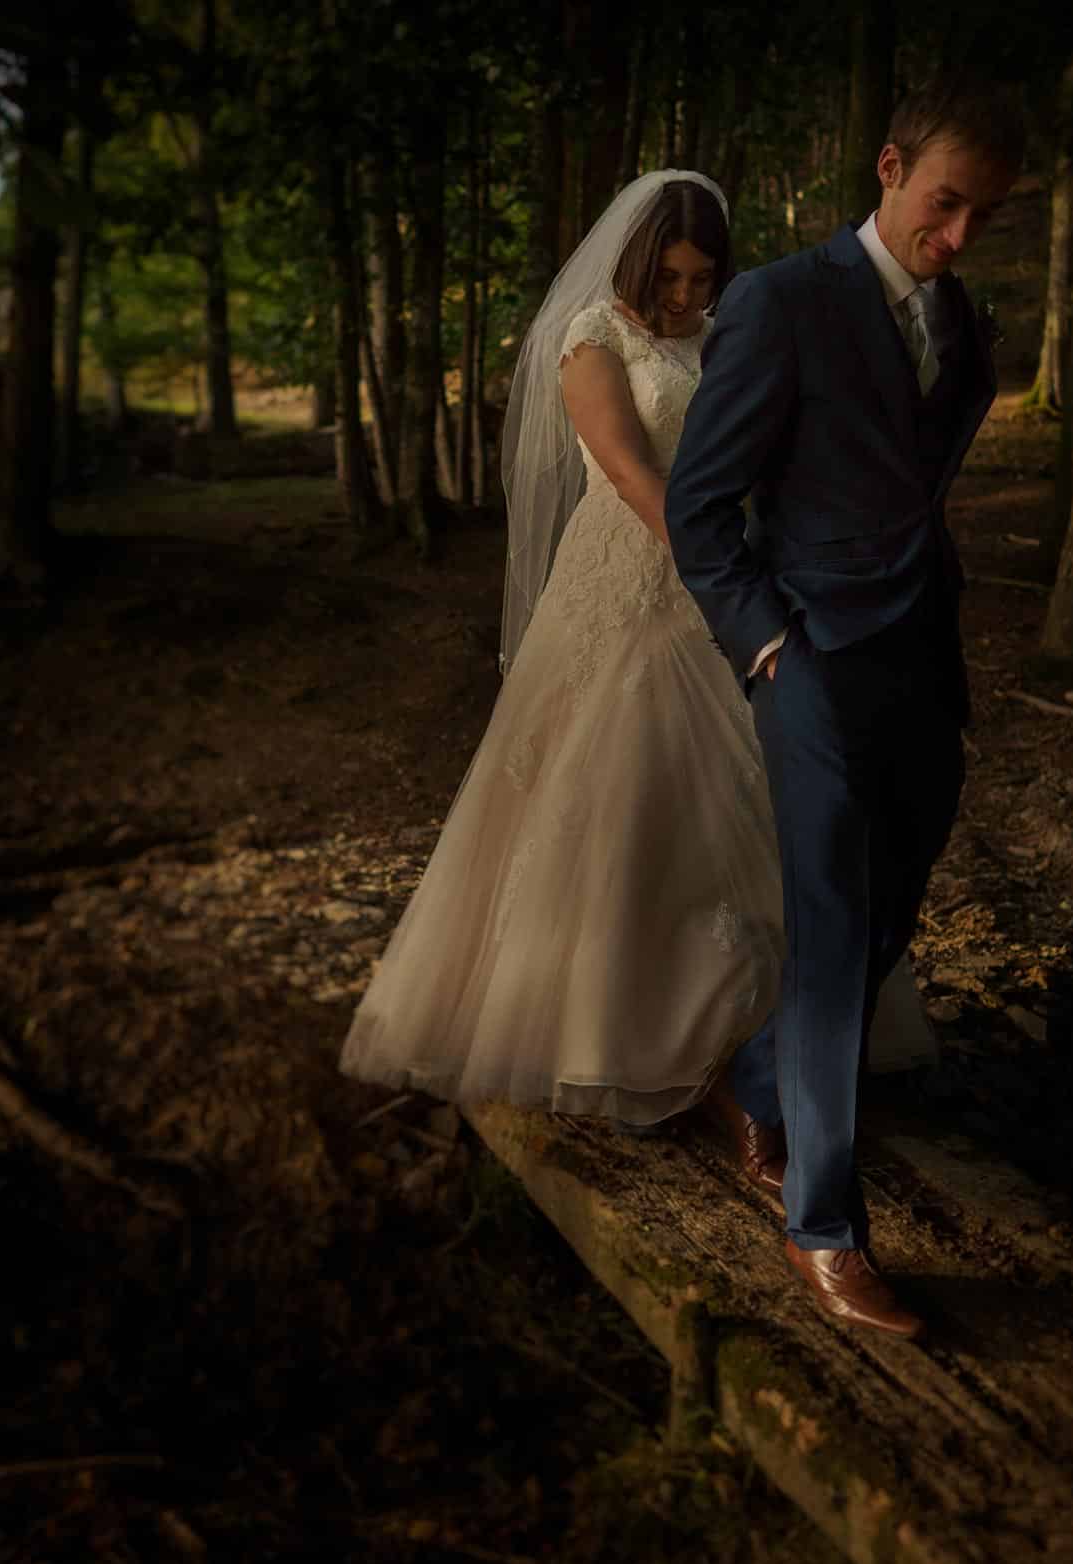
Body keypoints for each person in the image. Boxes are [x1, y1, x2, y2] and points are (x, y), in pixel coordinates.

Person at [341, 170, 936, 1127]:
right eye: (671, 276)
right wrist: (723, 578)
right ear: (634, 258)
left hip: (735, 585)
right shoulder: (593, 341)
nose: (688, 297)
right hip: (631, 587)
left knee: (766, 803)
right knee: (618, 798)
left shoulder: (729, 333)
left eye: (705, 278)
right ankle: (603, 1037)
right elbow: (632, 477)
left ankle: (759, 1042)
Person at [666, 75, 1025, 1339]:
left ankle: (752, 1084)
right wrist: (766, 644)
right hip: (808, 657)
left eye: (984, 214)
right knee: (832, 929)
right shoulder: (779, 301)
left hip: (923, 657)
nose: (960, 236)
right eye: (943, 204)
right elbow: (699, 508)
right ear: (886, 168)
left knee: (893, 912)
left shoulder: (962, 320)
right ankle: (823, 1227)